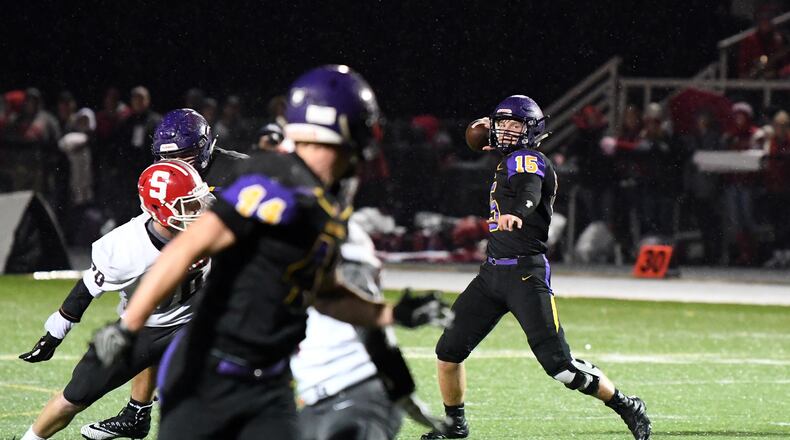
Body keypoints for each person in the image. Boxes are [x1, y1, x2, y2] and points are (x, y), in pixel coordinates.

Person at [90, 65, 452, 440]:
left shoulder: (325, 201)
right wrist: (128, 326)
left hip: (270, 384)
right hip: (207, 375)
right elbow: (188, 247)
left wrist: (390, 313)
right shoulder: (274, 182)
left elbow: (325, 292)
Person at [420, 95, 652, 440]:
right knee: (448, 351)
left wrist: (520, 211)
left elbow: (529, 189)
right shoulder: (510, 158)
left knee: (560, 367)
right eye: (503, 124)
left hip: (525, 276)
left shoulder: (529, 158)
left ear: (532, 131)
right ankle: (455, 423)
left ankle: (625, 404)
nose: (507, 131)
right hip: (491, 274)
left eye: (516, 125)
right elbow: (483, 141)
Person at [77, 107, 248, 439]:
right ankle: (136, 413)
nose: (179, 165)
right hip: (188, 269)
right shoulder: (163, 175)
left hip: (228, 275)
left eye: (186, 155)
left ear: (205, 145)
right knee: (156, 322)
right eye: (171, 157)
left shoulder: (240, 170)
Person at [19, 159, 215, 440]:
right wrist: (54, 333)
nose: (199, 211)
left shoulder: (211, 223)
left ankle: (141, 413)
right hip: (144, 329)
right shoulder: (125, 249)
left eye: (198, 201)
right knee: (75, 396)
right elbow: (87, 288)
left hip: (198, 320)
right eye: (188, 205)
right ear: (160, 211)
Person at [293, 217, 448, 440]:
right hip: (315, 399)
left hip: (355, 391)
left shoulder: (337, 233)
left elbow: (368, 322)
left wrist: (402, 389)